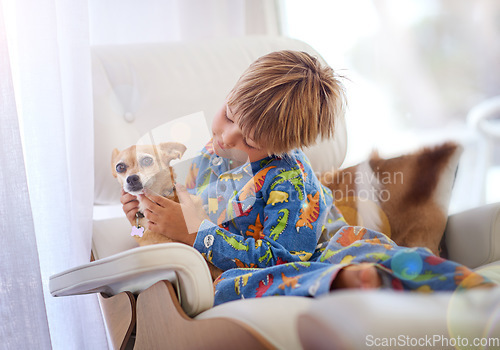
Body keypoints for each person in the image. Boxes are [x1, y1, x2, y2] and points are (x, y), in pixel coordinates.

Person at [121, 50, 494, 305]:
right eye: (229, 115)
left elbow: (286, 257)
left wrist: (195, 233)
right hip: (243, 267)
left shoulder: (290, 179)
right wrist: (139, 217)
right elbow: (165, 223)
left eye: (250, 140)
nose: (227, 137)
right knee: (229, 284)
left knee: (393, 258)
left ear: (282, 147)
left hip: (321, 251)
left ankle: (479, 293)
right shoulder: (210, 156)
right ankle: (344, 281)